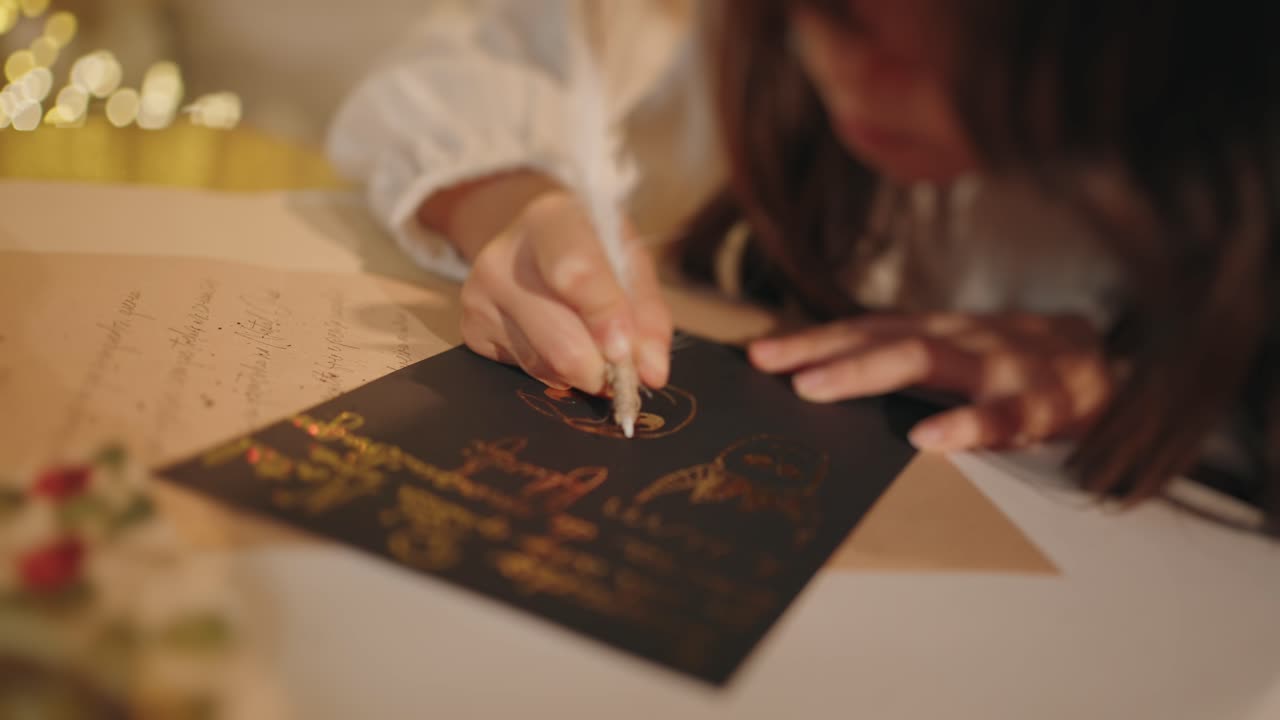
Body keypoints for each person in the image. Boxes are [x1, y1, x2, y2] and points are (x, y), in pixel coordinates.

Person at [328, 0, 1277, 528]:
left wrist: (1143, 392)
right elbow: (456, 69)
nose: (866, 80)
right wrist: (509, 201)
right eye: (837, 15)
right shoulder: (698, 34)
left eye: (972, 57)